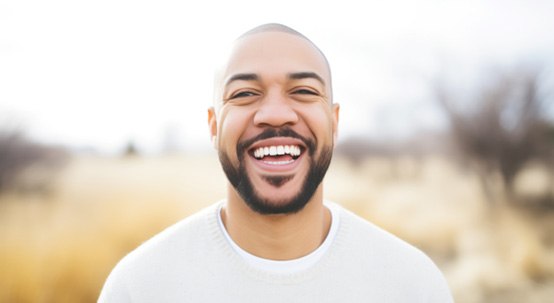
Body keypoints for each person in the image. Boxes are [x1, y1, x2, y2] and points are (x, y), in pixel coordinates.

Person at [99, 23, 453, 302]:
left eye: (303, 91)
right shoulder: (141, 287)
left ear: (334, 122)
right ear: (213, 125)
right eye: (244, 94)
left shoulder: (412, 285)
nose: (274, 114)